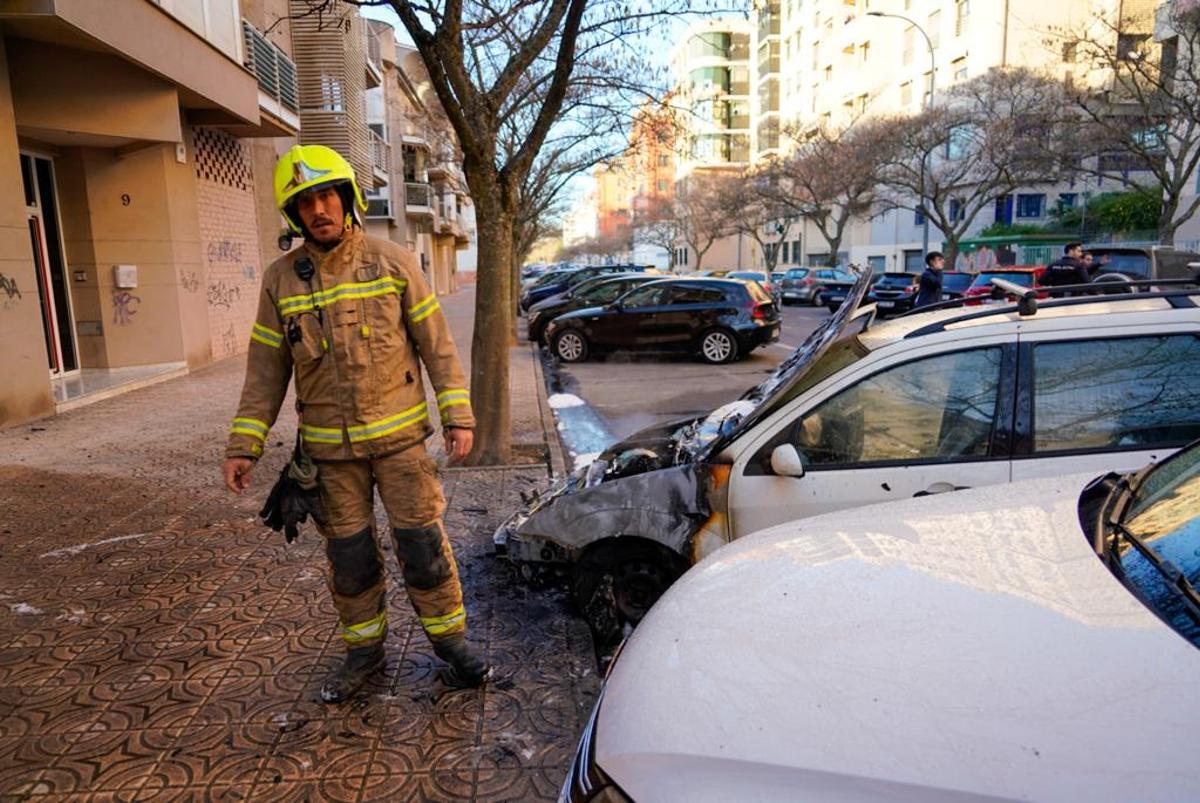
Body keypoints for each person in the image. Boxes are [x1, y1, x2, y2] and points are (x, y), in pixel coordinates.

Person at [221, 144, 489, 703]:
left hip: (400, 448)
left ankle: (453, 647)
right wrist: (244, 444)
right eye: (305, 203)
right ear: (294, 216)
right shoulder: (280, 282)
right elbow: (265, 370)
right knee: (350, 559)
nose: (318, 209)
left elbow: (437, 348)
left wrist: (457, 415)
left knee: (423, 548)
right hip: (330, 457)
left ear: (347, 199)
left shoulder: (393, 263)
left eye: (327, 196)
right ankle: (364, 654)